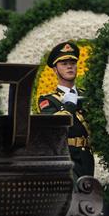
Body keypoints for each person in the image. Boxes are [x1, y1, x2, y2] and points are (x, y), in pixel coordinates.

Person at [38, 41, 95, 180]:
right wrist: (69, 104)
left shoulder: (87, 95)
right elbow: (55, 126)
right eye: (64, 63)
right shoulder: (48, 100)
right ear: (55, 70)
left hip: (87, 157)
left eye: (72, 62)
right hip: (66, 156)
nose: (69, 66)